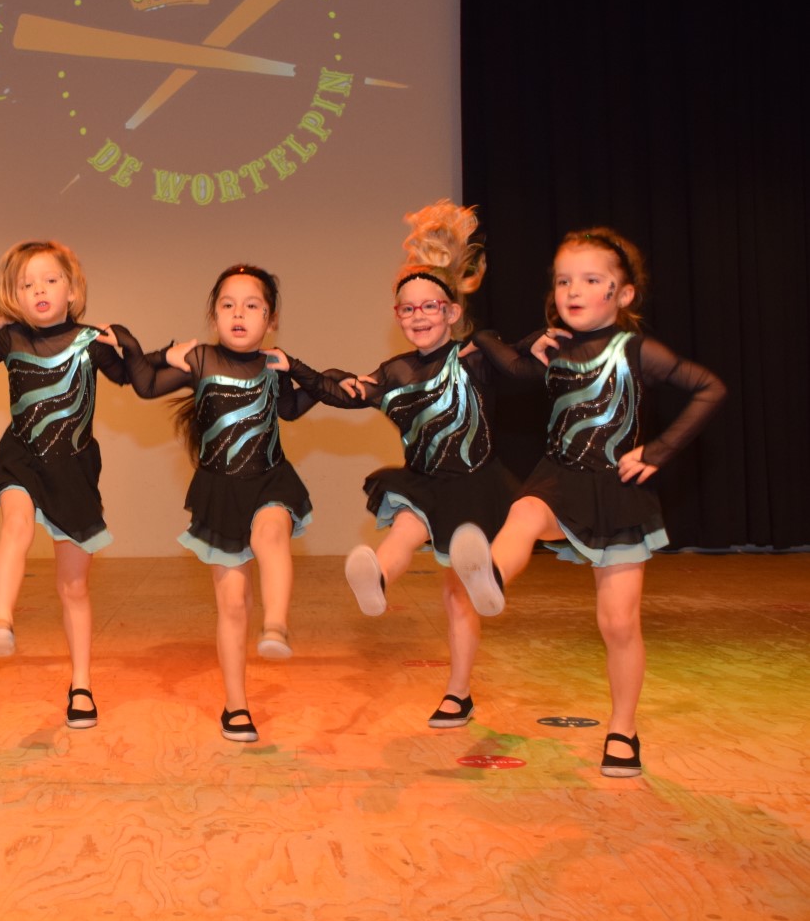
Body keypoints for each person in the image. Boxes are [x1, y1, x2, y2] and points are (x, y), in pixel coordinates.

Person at [452, 227, 725, 776]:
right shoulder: (552, 345)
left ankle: (623, 729)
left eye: (590, 280)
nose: (572, 291)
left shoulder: (637, 350)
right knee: (524, 513)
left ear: (623, 294)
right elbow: (511, 367)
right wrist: (488, 337)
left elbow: (709, 389)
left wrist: (660, 449)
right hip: (559, 477)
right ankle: (491, 579)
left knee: (618, 624)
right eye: (562, 281)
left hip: (616, 490)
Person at [309, 201, 519, 728]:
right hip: (424, 482)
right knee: (405, 528)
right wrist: (294, 370)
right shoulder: (395, 371)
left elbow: (524, 368)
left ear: (451, 312)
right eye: (407, 309)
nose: (418, 316)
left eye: (429, 306)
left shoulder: (476, 356)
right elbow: (344, 393)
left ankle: (458, 691)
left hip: (474, 483)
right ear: (397, 316)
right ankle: (376, 580)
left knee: (457, 596)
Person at [114, 265, 327, 742]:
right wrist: (146, 348)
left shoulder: (273, 365)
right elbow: (144, 383)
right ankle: (236, 706)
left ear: (270, 319)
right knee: (232, 604)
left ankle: (275, 626)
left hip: (269, 479)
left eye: (252, 306)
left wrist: (315, 378)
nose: (238, 314)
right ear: (214, 316)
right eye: (228, 305)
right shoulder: (200, 359)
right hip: (220, 491)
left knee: (271, 535)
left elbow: (290, 408)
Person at [0, 240, 129, 730]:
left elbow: (140, 379)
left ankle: (81, 684)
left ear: (72, 290)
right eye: (27, 284)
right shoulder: (11, 339)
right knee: (15, 526)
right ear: (14, 296)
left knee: (74, 586)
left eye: (50, 280)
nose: (39, 289)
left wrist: (150, 350)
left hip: (72, 470)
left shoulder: (90, 342)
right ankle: (1, 620)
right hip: (20, 457)